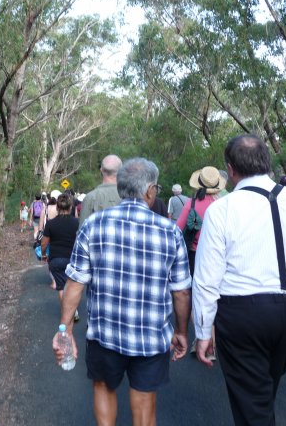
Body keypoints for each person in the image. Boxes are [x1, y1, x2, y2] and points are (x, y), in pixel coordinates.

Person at [193, 134, 286, 426]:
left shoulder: (223, 209)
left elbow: (206, 279)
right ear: (266, 162)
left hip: (243, 315)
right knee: (263, 392)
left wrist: (203, 330)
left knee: (253, 405)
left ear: (230, 169)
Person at [53, 158, 191, 426]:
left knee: (104, 388)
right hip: (151, 339)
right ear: (150, 190)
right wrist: (182, 332)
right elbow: (182, 293)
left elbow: (74, 285)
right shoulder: (169, 232)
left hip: (105, 335)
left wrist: (64, 330)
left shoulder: (94, 225)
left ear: (120, 188)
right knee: (144, 400)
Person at [176, 167, 226, 277]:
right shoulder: (222, 205)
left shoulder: (191, 203)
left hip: (194, 255)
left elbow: (178, 229)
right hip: (216, 257)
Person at [40, 194, 80, 318]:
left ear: (57, 207)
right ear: (70, 207)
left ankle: (67, 313)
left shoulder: (51, 224)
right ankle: (74, 311)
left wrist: (43, 254)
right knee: (72, 286)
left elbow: (44, 243)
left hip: (56, 260)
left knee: (61, 287)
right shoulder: (76, 223)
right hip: (73, 259)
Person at [78, 155, 123, 225]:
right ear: (121, 171)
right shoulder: (129, 197)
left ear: (101, 170)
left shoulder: (90, 198)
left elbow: (82, 231)